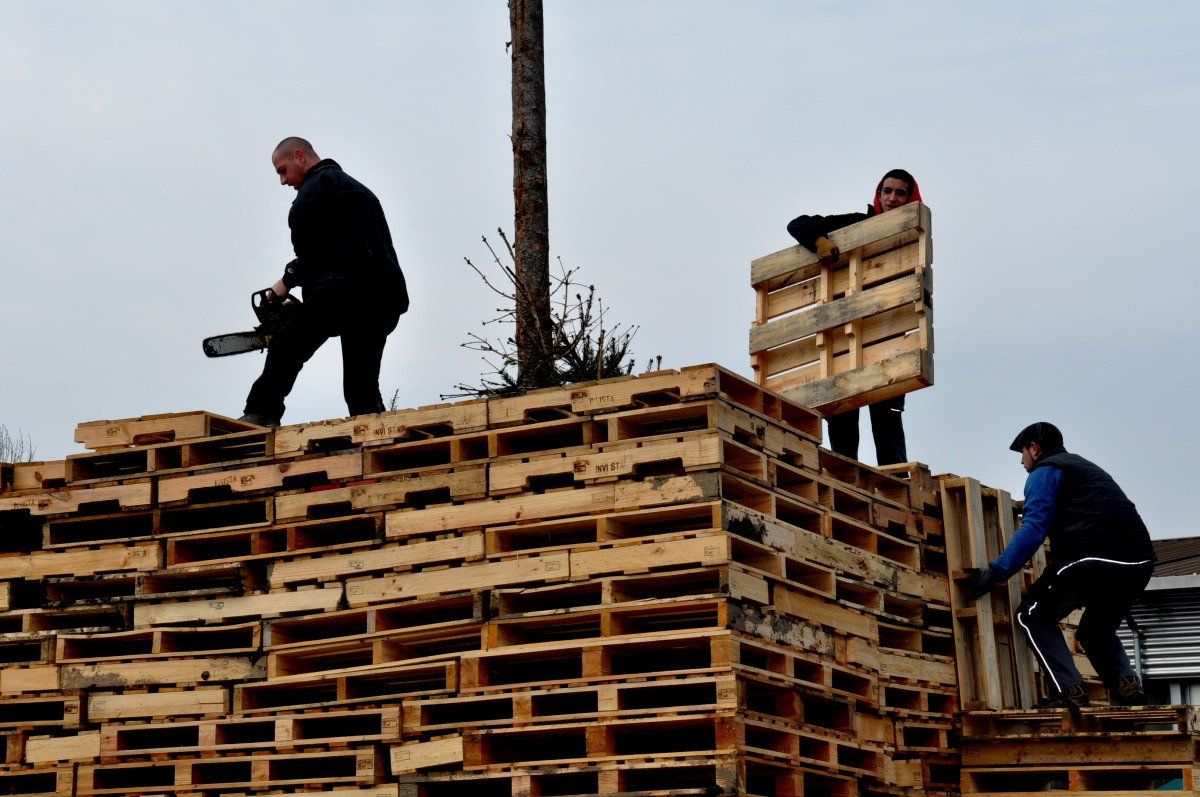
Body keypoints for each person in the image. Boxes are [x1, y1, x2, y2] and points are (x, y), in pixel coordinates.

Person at [967, 422, 1156, 710]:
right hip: (1139, 563)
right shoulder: (1087, 469)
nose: (1021, 461)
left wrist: (995, 573)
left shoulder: (1045, 471)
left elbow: (1033, 528)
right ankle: (1126, 684)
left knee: (1032, 615)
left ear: (1034, 448)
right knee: (1096, 631)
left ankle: (1069, 692)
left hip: (1091, 558)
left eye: (1022, 452)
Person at [240, 137, 409, 427]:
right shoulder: (361, 190)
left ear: (300, 156)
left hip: (344, 292)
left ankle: (261, 413)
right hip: (382, 297)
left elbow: (314, 255)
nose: (283, 181)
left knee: (286, 345)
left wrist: (285, 285)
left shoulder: (313, 190)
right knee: (360, 384)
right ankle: (375, 435)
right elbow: (349, 246)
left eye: (283, 171)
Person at [785, 169, 922, 466]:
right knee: (843, 417)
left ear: (910, 198)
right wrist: (819, 241)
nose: (892, 198)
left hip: (887, 340)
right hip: (847, 337)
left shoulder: (912, 238)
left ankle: (894, 482)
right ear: (879, 194)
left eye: (900, 193)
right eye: (887, 191)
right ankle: (844, 479)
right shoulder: (855, 224)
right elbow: (797, 224)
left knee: (887, 420)